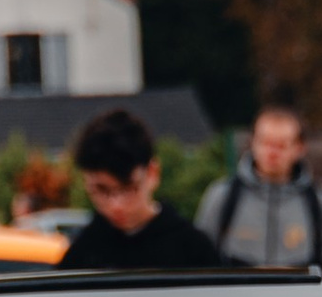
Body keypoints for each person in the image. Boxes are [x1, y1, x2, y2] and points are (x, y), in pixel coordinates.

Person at [58, 110, 222, 272]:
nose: (116, 205)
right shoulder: (82, 254)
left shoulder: (194, 250)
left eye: (128, 188)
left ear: (152, 173)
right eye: (102, 190)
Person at [197, 98, 322, 271]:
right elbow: (199, 262)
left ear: (300, 148)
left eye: (281, 145)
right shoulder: (223, 195)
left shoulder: (318, 202)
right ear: (252, 142)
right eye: (265, 143)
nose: (272, 153)